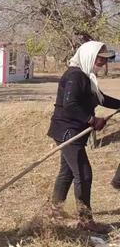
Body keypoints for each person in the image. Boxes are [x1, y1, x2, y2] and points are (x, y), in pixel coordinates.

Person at [47, 41, 118, 234]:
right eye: (99, 59)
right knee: (84, 173)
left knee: (67, 172)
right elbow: (69, 104)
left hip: (70, 130)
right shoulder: (75, 75)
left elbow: (101, 98)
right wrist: (92, 120)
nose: (102, 63)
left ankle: (55, 210)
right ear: (88, 56)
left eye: (104, 60)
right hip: (67, 131)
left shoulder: (86, 76)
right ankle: (85, 221)